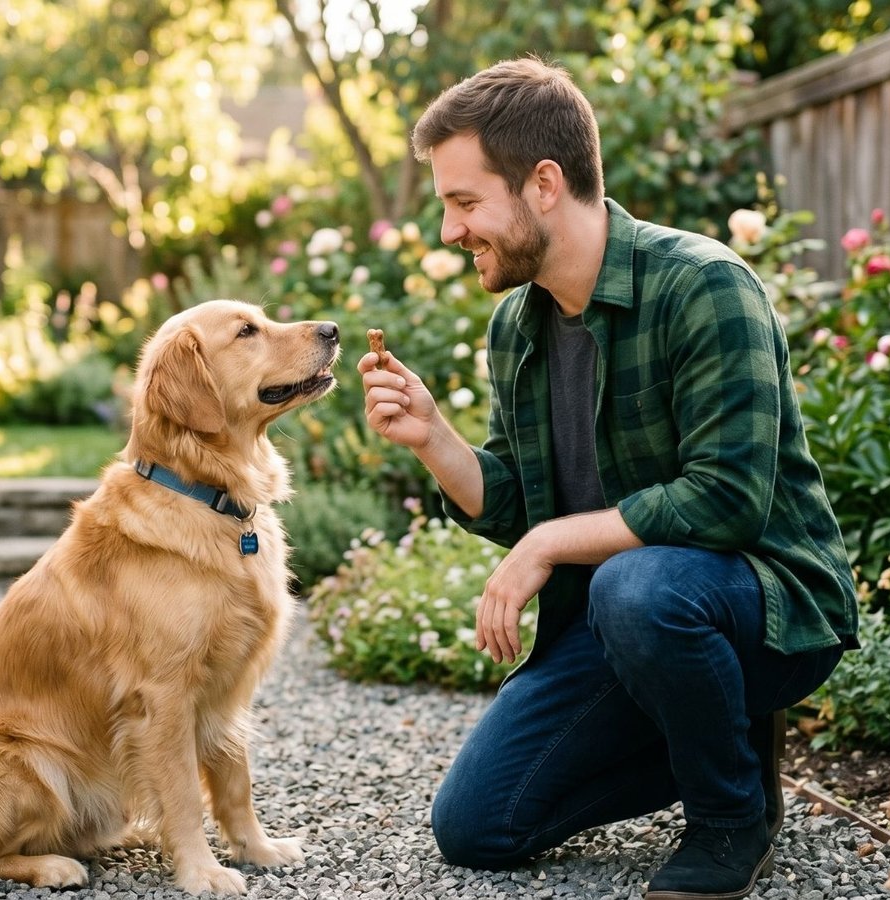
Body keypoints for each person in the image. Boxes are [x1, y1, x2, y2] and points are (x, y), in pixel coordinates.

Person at [357, 57, 858, 900]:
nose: (451, 233)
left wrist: (553, 543)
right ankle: (718, 732)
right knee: (478, 827)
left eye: (465, 203)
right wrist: (433, 439)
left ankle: (731, 815)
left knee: (636, 587)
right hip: (618, 621)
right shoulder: (519, 326)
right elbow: (518, 499)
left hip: (760, 608)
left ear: (543, 183)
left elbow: (728, 500)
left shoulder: (705, 285)